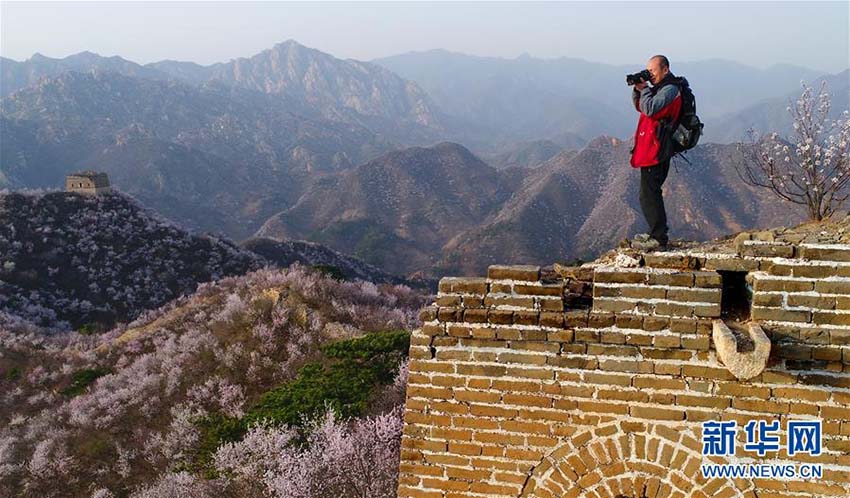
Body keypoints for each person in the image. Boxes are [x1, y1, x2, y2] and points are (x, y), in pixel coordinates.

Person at [629, 54, 682, 251]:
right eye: (648, 71)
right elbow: (641, 107)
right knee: (648, 193)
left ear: (665, 69)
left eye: (652, 71)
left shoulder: (670, 89)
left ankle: (659, 238)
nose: (649, 75)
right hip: (650, 147)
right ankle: (656, 234)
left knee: (649, 194)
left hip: (658, 149)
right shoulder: (660, 89)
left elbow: (650, 109)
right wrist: (638, 89)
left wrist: (645, 90)